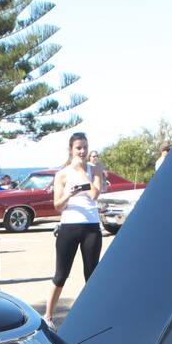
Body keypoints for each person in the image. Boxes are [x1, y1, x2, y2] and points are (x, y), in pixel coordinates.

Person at [44, 132, 105, 325]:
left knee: (92, 273)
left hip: (91, 227)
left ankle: (94, 315)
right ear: (71, 150)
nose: (83, 151)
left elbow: (95, 194)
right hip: (69, 227)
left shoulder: (94, 170)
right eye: (79, 147)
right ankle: (48, 316)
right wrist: (69, 194)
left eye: (85, 147)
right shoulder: (62, 174)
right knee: (61, 274)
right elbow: (58, 206)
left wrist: (83, 179)